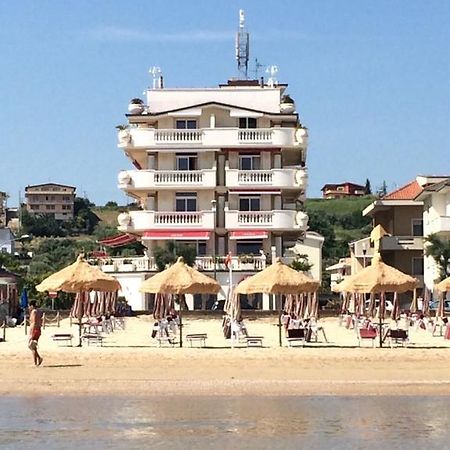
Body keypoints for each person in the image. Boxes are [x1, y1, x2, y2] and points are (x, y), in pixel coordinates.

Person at [28, 300, 43, 366]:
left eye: (29, 306)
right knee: (33, 346)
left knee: (32, 346)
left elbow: (34, 322)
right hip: (38, 329)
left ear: (31, 306)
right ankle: (38, 359)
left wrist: (31, 333)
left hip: (34, 330)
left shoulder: (34, 312)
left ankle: (36, 361)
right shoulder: (39, 311)